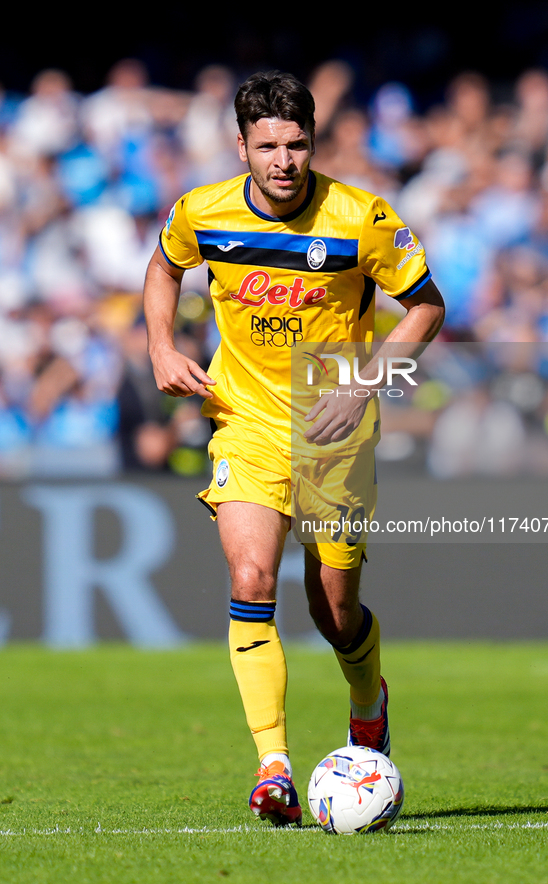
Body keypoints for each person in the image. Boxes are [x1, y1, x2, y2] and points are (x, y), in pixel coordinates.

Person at [143, 70, 445, 827]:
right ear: (240, 146)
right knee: (250, 574)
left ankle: (366, 702)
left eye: (298, 144)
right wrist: (157, 344)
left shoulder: (360, 218)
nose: (284, 160)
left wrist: (360, 386)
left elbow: (425, 307)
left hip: (333, 434)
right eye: (268, 145)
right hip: (242, 420)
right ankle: (272, 766)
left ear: (314, 143)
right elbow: (164, 266)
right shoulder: (200, 212)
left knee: (333, 609)